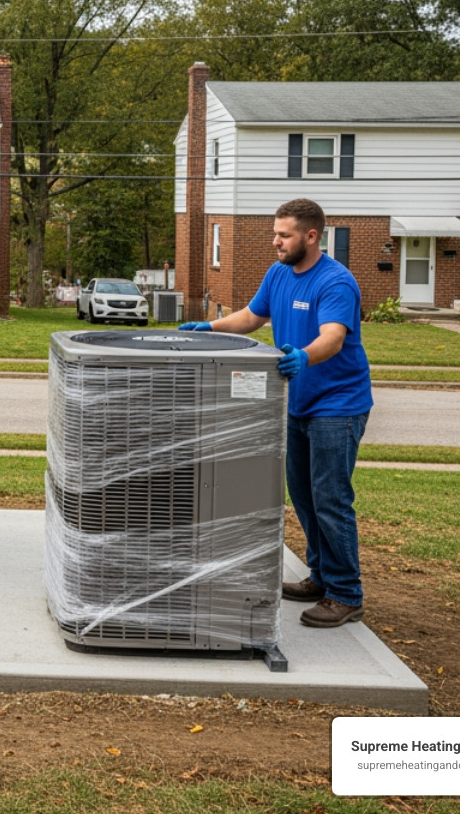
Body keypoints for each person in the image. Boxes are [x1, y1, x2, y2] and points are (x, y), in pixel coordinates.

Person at [179, 198, 374, 628]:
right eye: (275, 233)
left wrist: (303, 357)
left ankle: (347, 593)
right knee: (304, 497)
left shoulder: (335, 282)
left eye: (284, 235)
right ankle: (321, 578)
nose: (276, 242)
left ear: (311, 236)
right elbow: (252, 316)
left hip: (337, 406)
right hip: (297, 403)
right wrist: (207, 329)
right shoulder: (278, 274)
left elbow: (333, 338)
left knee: (331, 498)